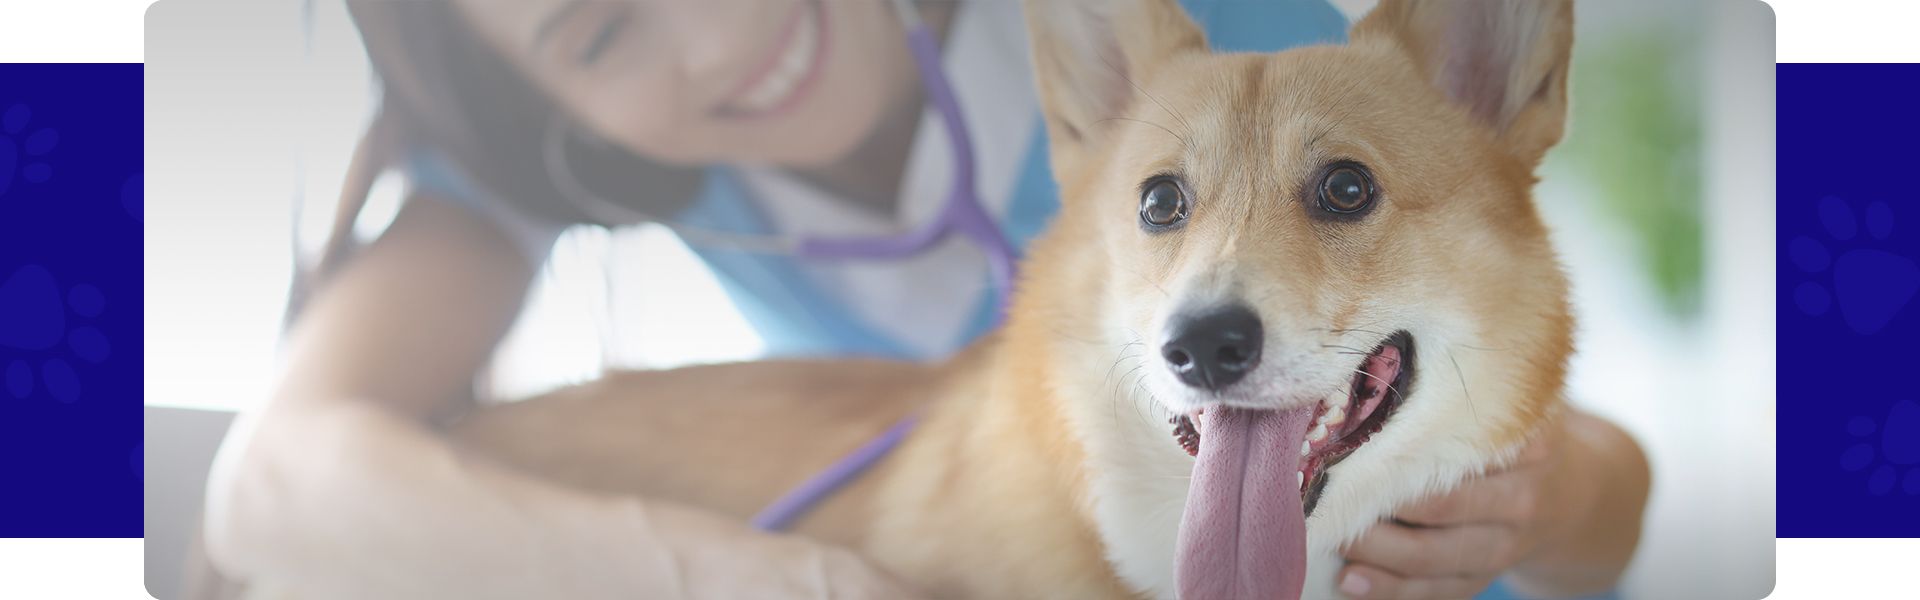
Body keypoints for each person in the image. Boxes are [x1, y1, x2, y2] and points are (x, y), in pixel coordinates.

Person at [199, 1, 1649, 598]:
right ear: (556, 122)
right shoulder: (567, 177)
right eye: (605, 30)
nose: (721, 33)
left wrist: (1542, 488)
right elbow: (272, 479)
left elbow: (1608, 494)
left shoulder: (1244, 51)